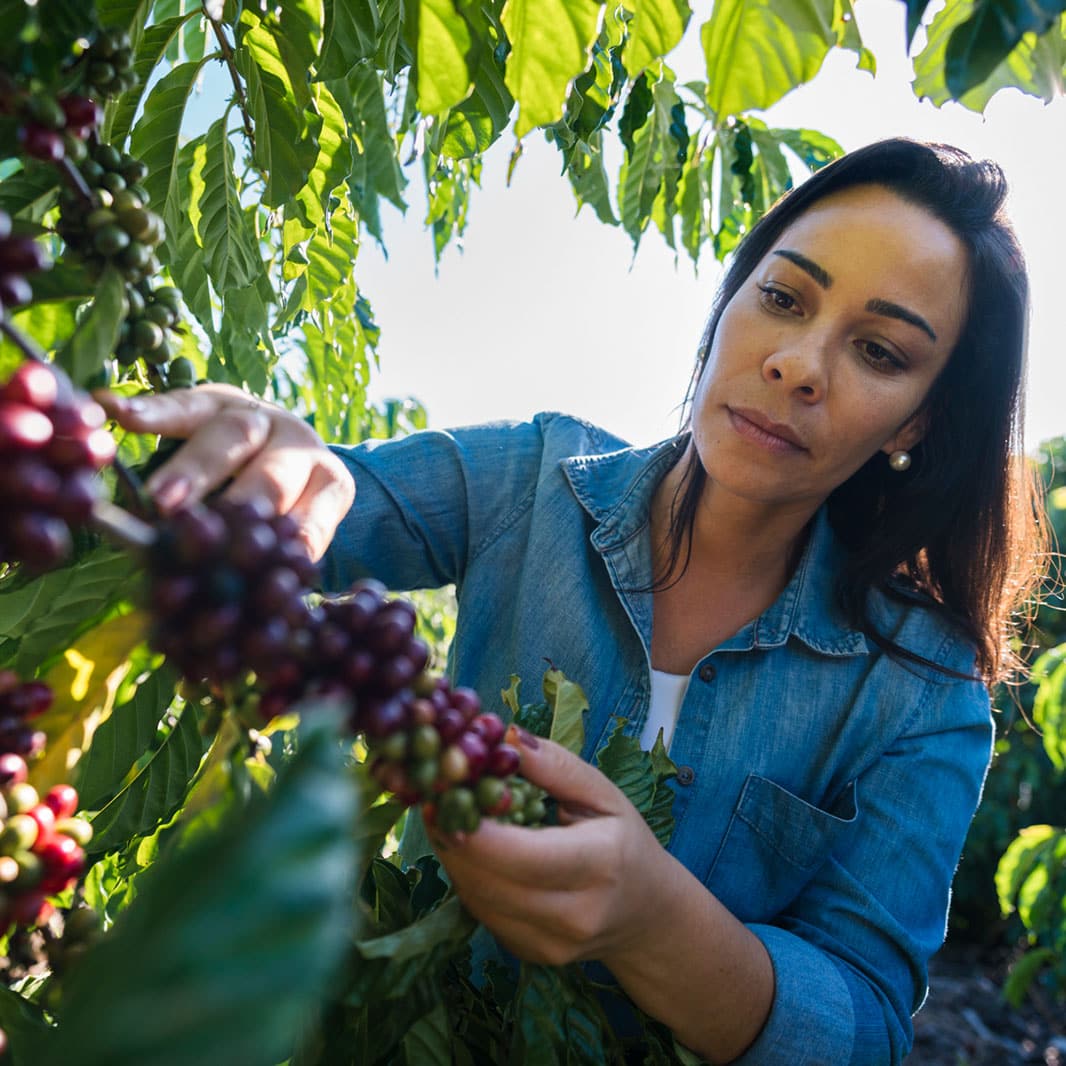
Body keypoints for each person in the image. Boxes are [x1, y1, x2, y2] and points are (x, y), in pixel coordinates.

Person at [97, 138, 1044, 1065]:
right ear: (730, 305)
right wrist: (277, 467)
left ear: (916, 420)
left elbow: (867, 1022)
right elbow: (328, 507)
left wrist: (654, 922)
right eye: (783, 297)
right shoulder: (533, 480)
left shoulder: (924, 691)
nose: (798, 364)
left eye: (879, 351)